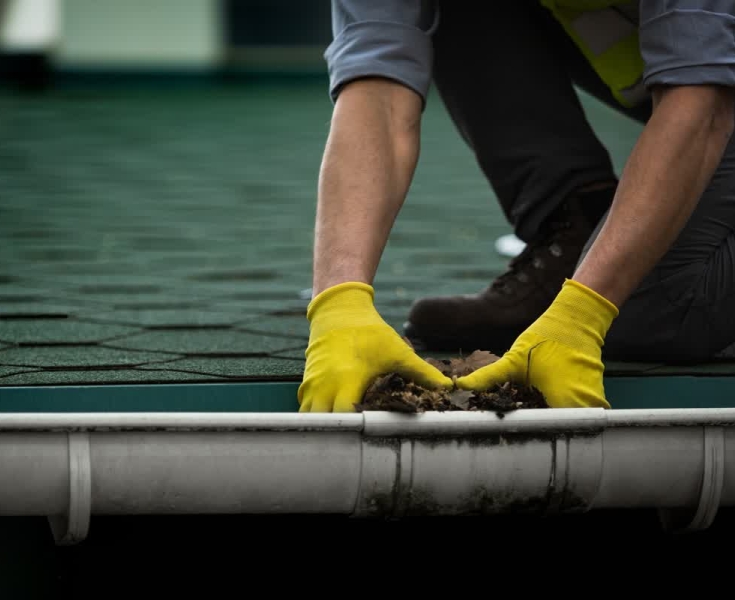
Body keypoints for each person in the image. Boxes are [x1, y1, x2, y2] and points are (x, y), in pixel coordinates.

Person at [297, 0, 735, 412]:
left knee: (662, 308)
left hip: (715, 90)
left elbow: (703, 103)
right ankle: (572, 237)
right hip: (699, 81)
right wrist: (339, 303)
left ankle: (599, 279)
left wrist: (583, 315)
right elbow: (378, 87)